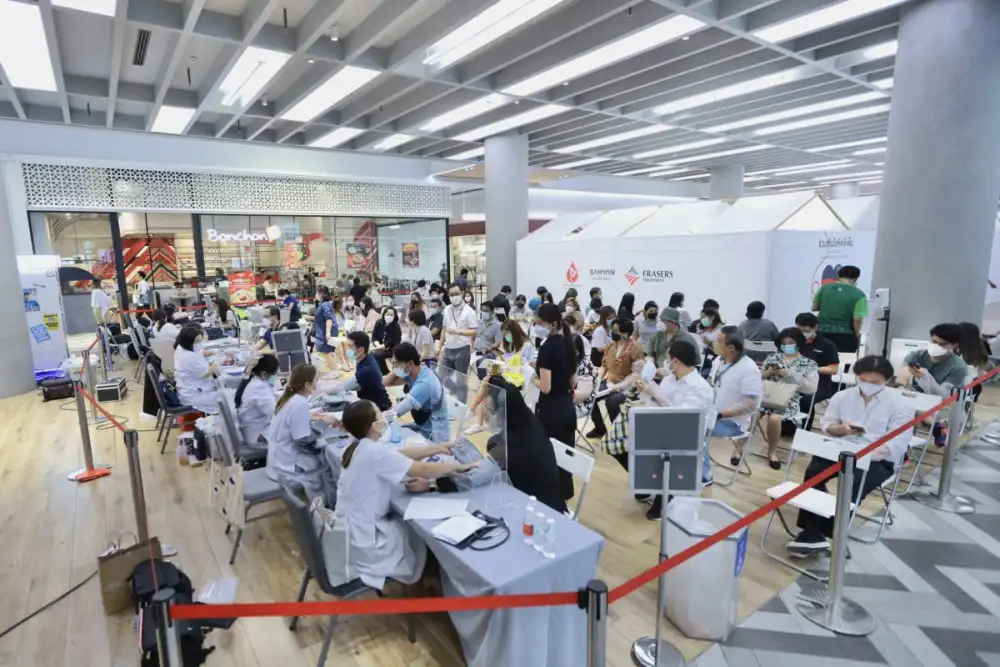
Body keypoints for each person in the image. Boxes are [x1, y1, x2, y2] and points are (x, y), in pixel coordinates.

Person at [336, 400, 478, 590]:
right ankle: (427, 583)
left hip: (352, 529)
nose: (383, 416)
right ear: (374, 425)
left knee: (411, 527)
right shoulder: (374, 452)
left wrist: (439, 447)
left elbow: (400, 453)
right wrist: (457, 468)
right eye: (379, 413)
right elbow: (422, 469)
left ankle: (429, 579)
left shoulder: (358, 446)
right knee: (418, 535)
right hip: (366, 539)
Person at [786, 355, 912, 556]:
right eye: (863, 379)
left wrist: (865, 454)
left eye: (875, 382)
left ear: (888, 380)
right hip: (840, 448)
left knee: (854, 483)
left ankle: (821, 533)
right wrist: (842, 429)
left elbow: (896, 443)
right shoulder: (842, 397)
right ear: (857, 376)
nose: (868, 385)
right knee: (814, 473)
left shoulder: (900, 405)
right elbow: (827, 426)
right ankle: (813, 532)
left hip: (877, 459)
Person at [604, 340, 715, 519]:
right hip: (662, 427)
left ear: (676, 361)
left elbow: (683, 419)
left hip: (685, 436)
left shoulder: (701, 388)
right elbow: (657, 406)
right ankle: (648, 481)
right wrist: (645, 393)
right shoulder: (670, 380)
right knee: (615, 442)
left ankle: (665, 494)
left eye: (669, 359)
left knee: (655, 450)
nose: (666, 363)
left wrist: (655, 393)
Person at [431, 376, 567, 513]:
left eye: (489, 410)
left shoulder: (511, 445)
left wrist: (433, 479)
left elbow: (465, 482)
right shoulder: (526, 420)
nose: (486, 414)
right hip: (542, 498)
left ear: (502, 412)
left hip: (539, 511)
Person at [266, 363, 339, 503]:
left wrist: (310, 416)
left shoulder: (288, 396)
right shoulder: (299, 403)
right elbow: (303, 440)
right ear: (307, 385)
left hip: (279, 458)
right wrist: (324, 423)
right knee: (326, 464)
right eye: (316, 381)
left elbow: (290, 420)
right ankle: (325, 507)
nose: (317, 384)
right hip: (289, 463)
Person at [530, 303, 578, 499]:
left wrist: (531, 377)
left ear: (549, 323)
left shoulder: (547, 348)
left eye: (539, 322)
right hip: (567, 406)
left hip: (551, 410)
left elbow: (545, 387)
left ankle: (551, 495)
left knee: (549, 453)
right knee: (566, 452)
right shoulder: (568, 343)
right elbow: (573, 381)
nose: (537, 326)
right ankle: (566, 491)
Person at [759, 328, 819, 469]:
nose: (786, 346)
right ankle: (737, 451)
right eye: (783, 343)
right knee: (750, 414)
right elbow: (758, 379)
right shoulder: (772, 358)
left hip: (789, 401)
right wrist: (768, 373)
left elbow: (810, 389)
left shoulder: (809, 363)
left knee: (774, 418)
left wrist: (790, 376)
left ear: (799, 343)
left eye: (790, 342)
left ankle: (772, 452)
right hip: (766, 396)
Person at [710, 327, 763, 470]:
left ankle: (703, 475)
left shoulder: (748, 368)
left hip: (733, 422)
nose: (714, 343)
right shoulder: (718, 361)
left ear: (731, 348)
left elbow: (750, 404)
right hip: (713, 416)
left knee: (694, 430)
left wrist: (719, 415)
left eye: (718, 341)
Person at [587, 318, 644, 438]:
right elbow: (603, 366)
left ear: (626, 333)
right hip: (609, 382)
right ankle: (599, 428)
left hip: (628, 385)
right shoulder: (610, 347)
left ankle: (619, 433)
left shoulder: (636, 348)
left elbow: (635, 374)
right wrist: (598, 379)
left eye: (616, 330)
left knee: (612, 402)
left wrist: (620, 386)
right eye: (612, 330)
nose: (613, 333)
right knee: (590, 395)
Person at [384, 343, 451, 442]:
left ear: (410, 363)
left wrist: (377, 420)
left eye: (397, 363)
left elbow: (398, 411)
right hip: (422, 425)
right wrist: (396, 368)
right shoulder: (413, 372)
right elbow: (386, 382)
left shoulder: (425, 382)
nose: (394, 367)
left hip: (434, 433)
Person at [795, 312, 840, 430]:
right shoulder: (793, 342)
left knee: (805, 399)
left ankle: (804, 429)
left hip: (820, 383)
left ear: (815, 328)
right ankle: (786, 427)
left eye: (805, 330)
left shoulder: (826, 345)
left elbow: (833, 369)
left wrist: (811, 368)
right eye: (798, 330)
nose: (801, 333)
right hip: (796, 379)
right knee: (783, 393)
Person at [896, 323, 967, 396]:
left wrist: (925, 378)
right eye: (934, 341)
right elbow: (903, 373)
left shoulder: (958, 367)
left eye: (942, 344)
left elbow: (944, 395)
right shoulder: (916, 356)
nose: (936, 346)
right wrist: (900, 387)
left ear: (954, 345)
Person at [436, 282, 478, 403]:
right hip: (448, 348)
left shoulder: (469, 311)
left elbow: (474, 331)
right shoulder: (447, 309)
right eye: (451, 294)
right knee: (441, 377)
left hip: (462, 349)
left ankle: (461, 406)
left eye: (456, 293)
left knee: (461, 381)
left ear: (462, 293)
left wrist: (458, 332)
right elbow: (444, 329)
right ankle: (454, 390)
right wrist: (439, 346)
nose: (454, 296)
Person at [812, 265, 868, 353]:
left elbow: (814, 308)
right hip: (844, 336)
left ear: (838, 276)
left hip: (821, 333)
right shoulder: (859, 295)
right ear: (855, 279)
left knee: (821, 358)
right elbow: (857, 319)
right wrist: (856, 335)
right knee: (843, 360)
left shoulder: (824, 288)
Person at [235, 354, 280, 453]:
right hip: (258, 436)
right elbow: (275, 413)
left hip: (255, 429)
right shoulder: (259, 388)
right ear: (264, 373)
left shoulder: (255, 382)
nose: (275, 376)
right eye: (274, 374)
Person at [173, 325, 220, 414]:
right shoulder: (188, 356)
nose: (200, 343)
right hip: (195, 395)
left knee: (224, 387)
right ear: (188, 342)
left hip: (192, 388)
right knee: (227, 397)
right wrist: (217, 361)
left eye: (200, 340)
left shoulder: (182, 347)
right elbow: (207, 373)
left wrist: (211, 352)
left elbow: (198, 351)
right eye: (197, 341)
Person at [341, 331, 392, 411]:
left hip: (378, 410)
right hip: (375, 405)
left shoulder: (366, 371)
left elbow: (343, 387)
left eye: (350, 346)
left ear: (361, 349)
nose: (347, 349)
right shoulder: (368, 358)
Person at [647, 307, 702, 374]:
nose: (660, 323)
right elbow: (650, 351)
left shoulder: (686, 339)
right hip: (656, 371)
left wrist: (670, 370)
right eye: (660, 320)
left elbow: (695, 362)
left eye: (664, 320)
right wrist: (650, 362)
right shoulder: (658, 334)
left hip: (676, 374)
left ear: (673, 322)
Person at [371, 307, 402, 375]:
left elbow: (391, 341)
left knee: (378, 354)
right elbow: (374, 336)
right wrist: (378, 346)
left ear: (394, 316)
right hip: (380, 346)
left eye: (391, 315)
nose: (389, 316)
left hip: (392, 348)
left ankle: (385, 373)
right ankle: (382, 372)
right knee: (373, 354)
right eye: (387, 314)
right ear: (384, 314)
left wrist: (379, 347)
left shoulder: (396, 326)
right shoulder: (379, 322)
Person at [695, 306, 725, 376]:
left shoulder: (721, 330)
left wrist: (709, 343)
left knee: (704, 374)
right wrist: (699, 331)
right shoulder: (703, 327)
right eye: (701, 318)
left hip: (711, 359)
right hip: (699, 356)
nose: (702, 320)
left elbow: (721, 350)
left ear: (712, 317)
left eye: (703, 317)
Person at [312, 291, 338, 371]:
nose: (316, 295)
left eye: (317, 293)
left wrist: (328, 332)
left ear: (321, 294)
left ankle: (334, 370)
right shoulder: (323, 304)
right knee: (327, 352)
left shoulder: (324, 305)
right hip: (322, 331)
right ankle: (333, 368)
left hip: (324, 332)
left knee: (325, 352)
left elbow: (329, 319)